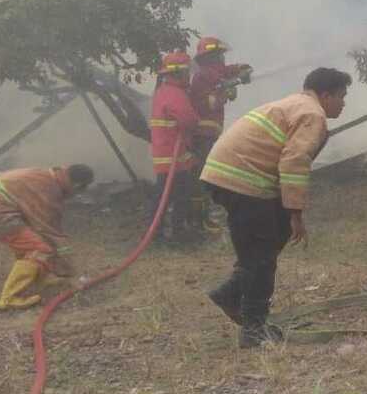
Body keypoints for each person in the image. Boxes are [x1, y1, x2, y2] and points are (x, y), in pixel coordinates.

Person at [199, 67, 351, 347]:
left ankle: (230, 295)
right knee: (262, 256)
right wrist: (295, 213)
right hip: (244, 180)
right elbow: (294, 162)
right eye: (341, 97)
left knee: (264, 246)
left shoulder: (295, 104)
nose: (343, 103)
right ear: (326, 95)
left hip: (228, 176)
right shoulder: (312, 114)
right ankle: (253, 331)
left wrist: (286, 216)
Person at [0, 165, 95, 310]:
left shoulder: (47, 176)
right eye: (79, 190)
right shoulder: (48, 189)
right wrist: (69, 271)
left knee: (32, 242)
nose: (74, 195)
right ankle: (9, 298)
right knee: (41, 249)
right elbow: (51, 231)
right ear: (76, 185)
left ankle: (35, 282)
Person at [187, 36, 253, 231]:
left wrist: (243, 69)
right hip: (202, 136)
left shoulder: (213, 72)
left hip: (210, 135)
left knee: (207, 175)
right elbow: (209, 103)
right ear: (210, 57)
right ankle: (199, 221)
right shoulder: (202, 77)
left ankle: (203, 218)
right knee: (202, 177)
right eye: (219, 55)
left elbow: (230, 71)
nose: (222, 59)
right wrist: (226, 90)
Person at [150, 51, 201, 243]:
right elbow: (189, 120)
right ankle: (174, 233)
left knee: (167, 195)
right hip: (172, 156)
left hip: (170, 153)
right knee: (177, 195)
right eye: (186, 72)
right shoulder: (174, 93)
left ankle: (161, 233)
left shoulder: (164, 90)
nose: (188, 76)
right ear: (178, 73)